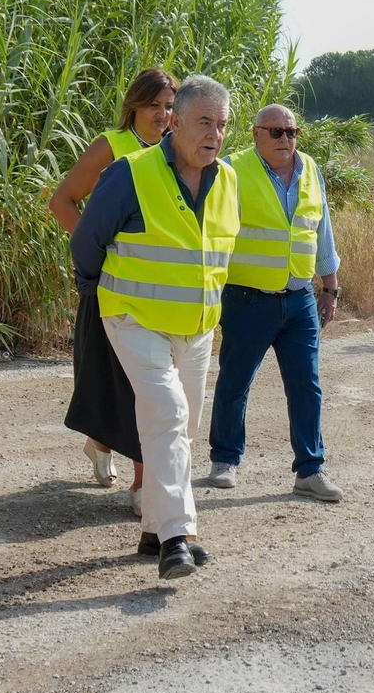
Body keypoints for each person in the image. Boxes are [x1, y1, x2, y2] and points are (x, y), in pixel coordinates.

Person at [70, 75, 238, 580]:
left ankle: (153, 526)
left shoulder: (227, 180)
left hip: (197, 327)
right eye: (204, 121)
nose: (214, 133)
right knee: (166, 413)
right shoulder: (131, 174)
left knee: (183, 426)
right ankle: (176, 538)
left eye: (222, 124)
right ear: (176, 120)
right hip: (135, 318)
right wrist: (103, 296)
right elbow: (86, 242)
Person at [49, 67, 179, 513]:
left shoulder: (176, 153)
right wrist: (99, 254)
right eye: (153, 105)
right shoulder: (112, 147)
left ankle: (144, 484)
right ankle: (102, 443)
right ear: (134, 106)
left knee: (150, 386)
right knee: (109, 381)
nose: (162, 115)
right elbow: (61, 200)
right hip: (110, 289)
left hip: (158, 294)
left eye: (169, 107)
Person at [206, 104, 345, 500]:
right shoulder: (231, 170)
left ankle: (310, 470)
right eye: (277, 132)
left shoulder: (311, 170)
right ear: (255, 134)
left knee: (307, 385)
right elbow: (213, 234)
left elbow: (322, 233)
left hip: (300, 299)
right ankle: (225, 459)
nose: (286, 139)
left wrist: (330, 287)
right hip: (247, 298)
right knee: (235, 381)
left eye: (292, 132)